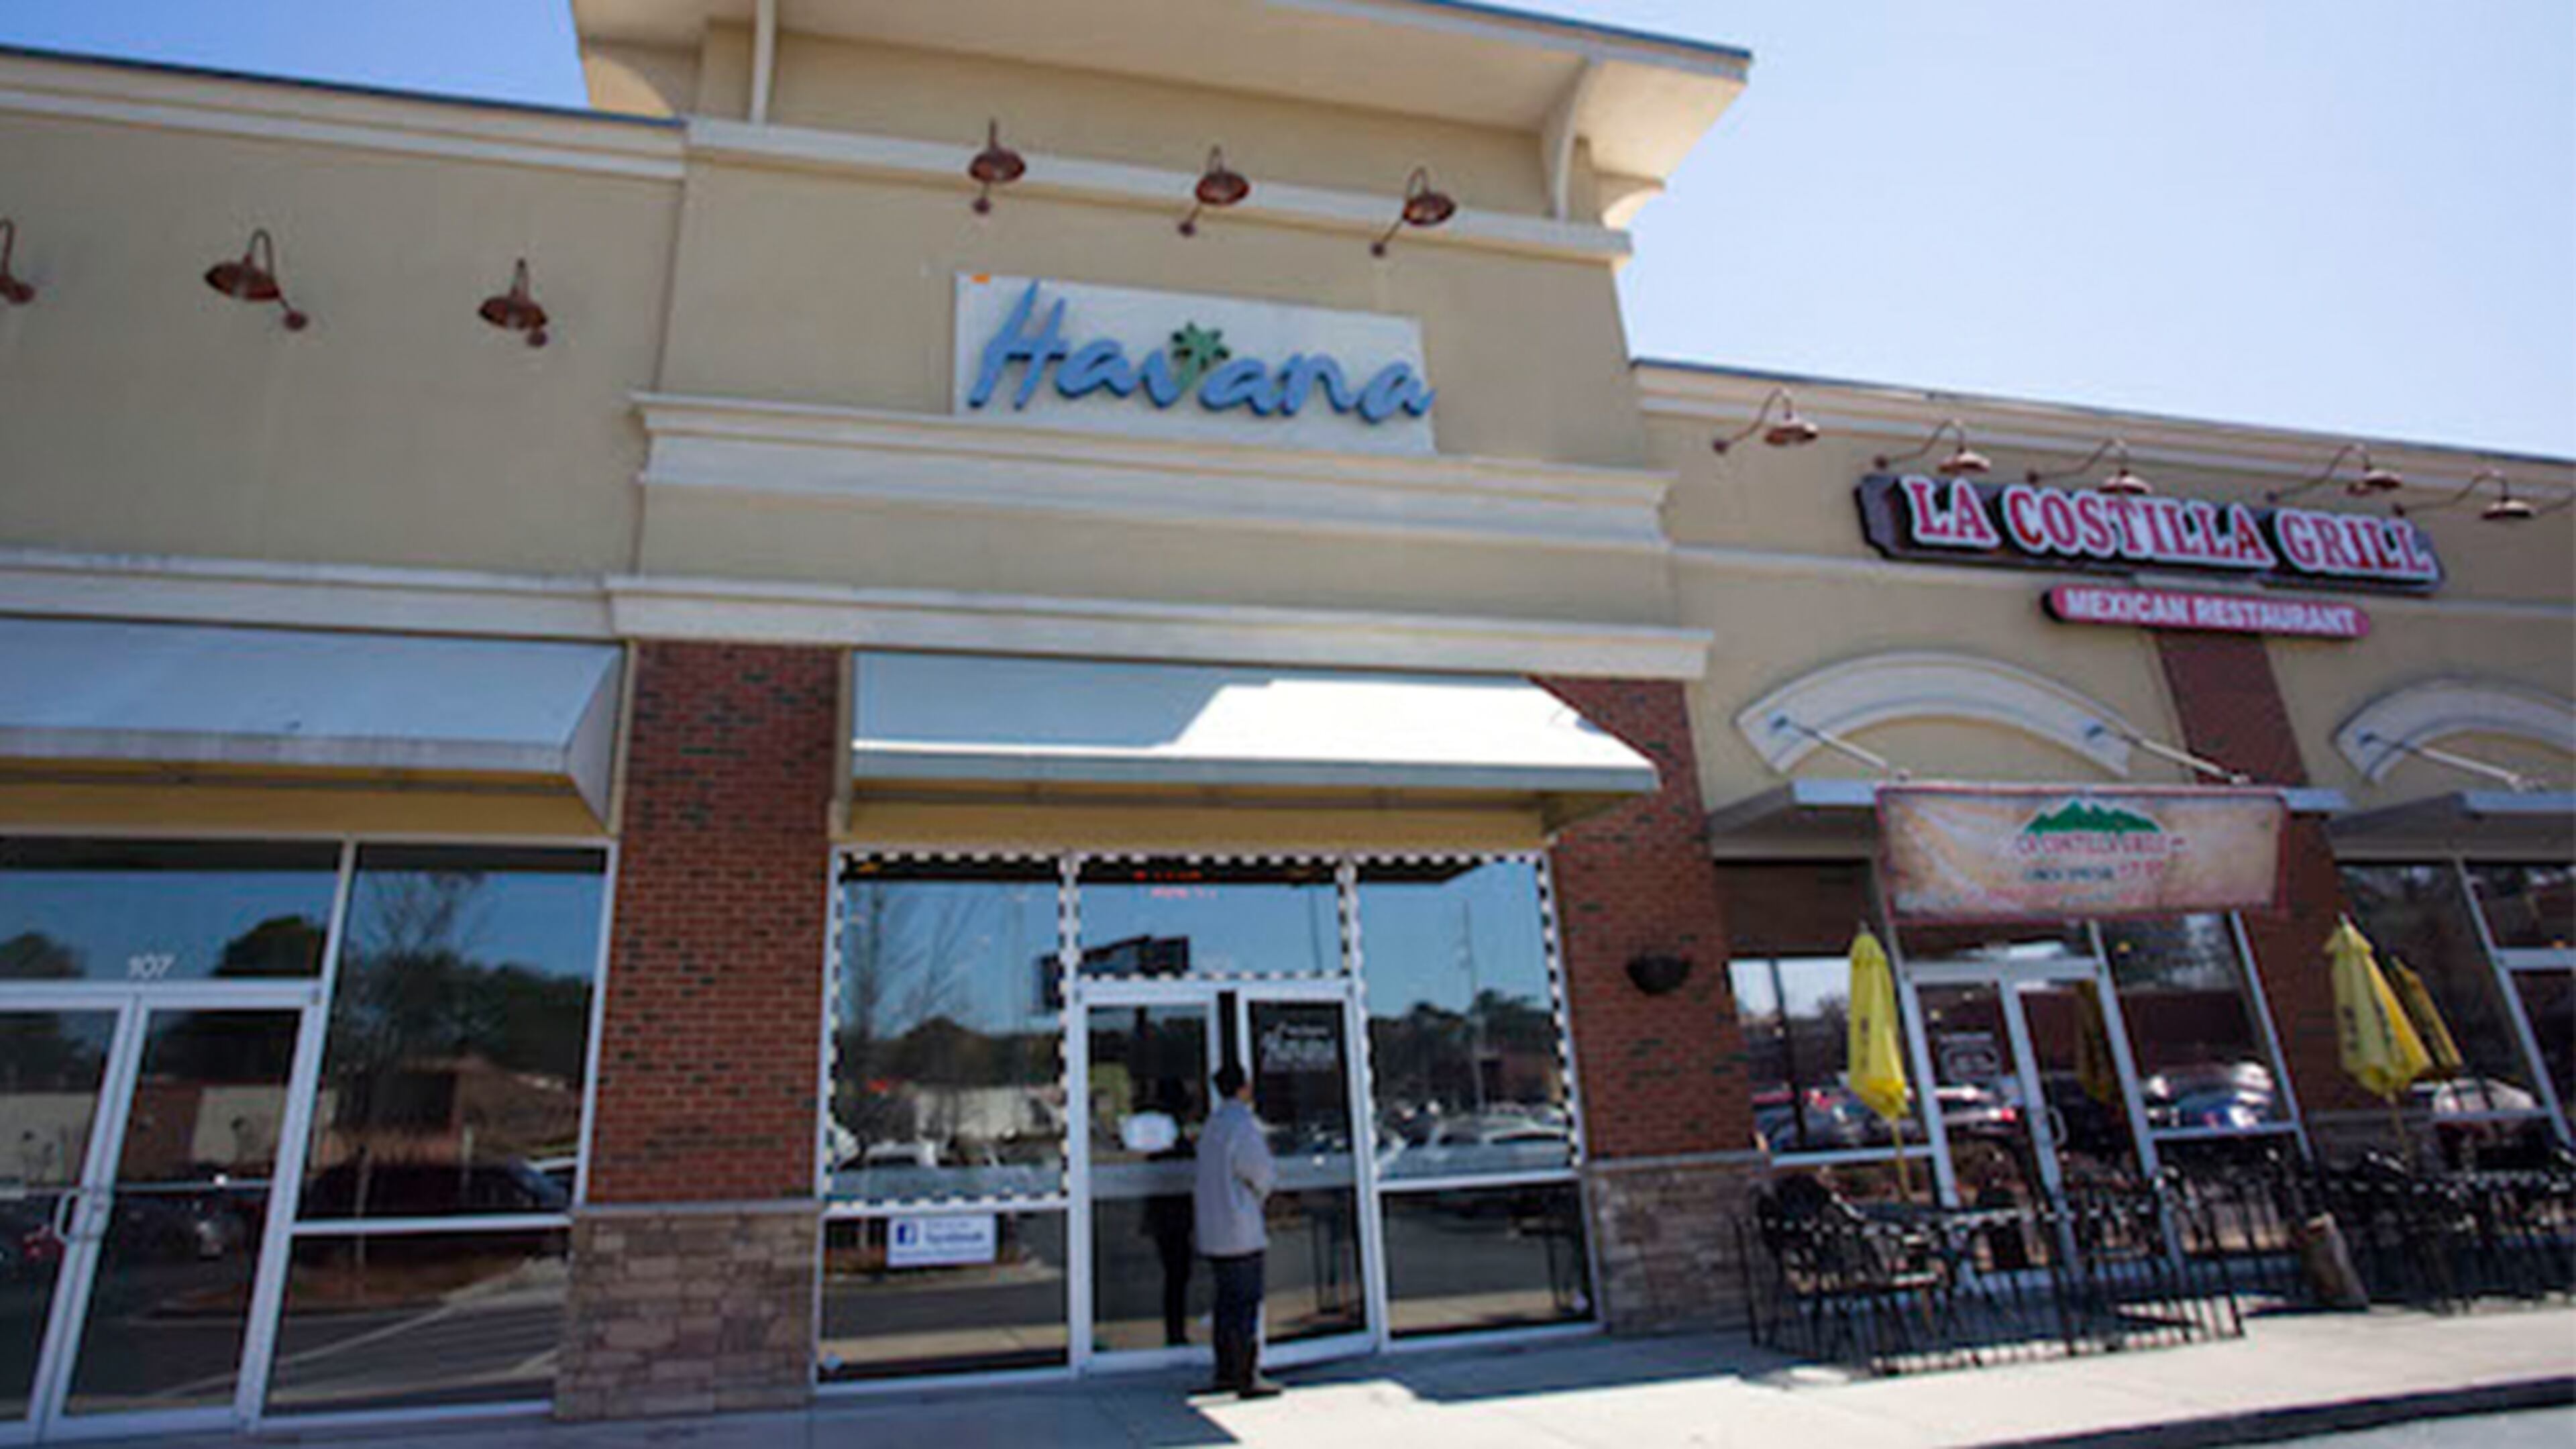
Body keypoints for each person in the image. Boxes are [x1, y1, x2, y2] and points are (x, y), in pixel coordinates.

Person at [1193, 1059, 1279, 1399]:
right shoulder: (1242, 1125)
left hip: (1214, 1230)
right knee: (1245, 1304)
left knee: (1225, 1305)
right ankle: (1248, 1376)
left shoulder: (1212, 1126)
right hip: (1239, 1229)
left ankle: (1224, 1371)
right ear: (1244, 1087)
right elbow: (1260, 1172)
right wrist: (1264, 1191)